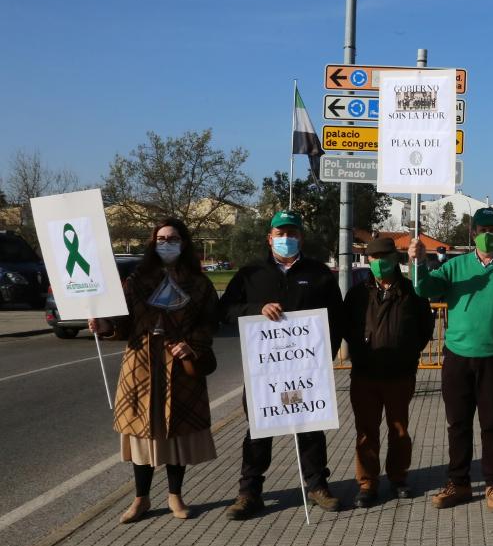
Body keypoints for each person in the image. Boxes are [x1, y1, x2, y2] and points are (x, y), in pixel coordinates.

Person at [410, 207, 493, 514]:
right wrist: (417, 262)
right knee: (457, 424)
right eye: (482, 229)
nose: (488, 234)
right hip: (457, 357)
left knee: (492, 423)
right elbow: (424, 289)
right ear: (473, 233)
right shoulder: (455, 267)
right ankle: (459, 483)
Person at [90, 218, 218, 523]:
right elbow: (123, 323)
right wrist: (104, 325)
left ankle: (175, 497)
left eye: (172, 238)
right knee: (142, 432)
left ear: (184, 243)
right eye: (160, 239)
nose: (166, 243)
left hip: (180, 362)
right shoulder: (136, 281)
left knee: (176, 430)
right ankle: (141, 499)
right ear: (152, 243)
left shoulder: (199, 284)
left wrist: (192, 347)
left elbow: (210, 322)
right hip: (142, 363)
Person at [220, 210, 345, 520]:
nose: (286, 238)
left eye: (292, 233)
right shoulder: (250, 274)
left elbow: (337, 316)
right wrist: (255, 308)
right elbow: (224, 310)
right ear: (269, 237)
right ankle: (249, 492)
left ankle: (317, 486)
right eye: (280, 233)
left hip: (306, 371)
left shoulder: (318, 274)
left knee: (310, 428)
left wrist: (325, 358)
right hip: (265, 373)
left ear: (301, 237)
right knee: (259, 431)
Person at [343, 237, 434, 507]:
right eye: (374, 258)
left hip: (399, 373)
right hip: (365, 374)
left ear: (395, 259)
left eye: (385, 257)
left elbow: (425, 328)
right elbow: (348, 327)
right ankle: (367, 483)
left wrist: (406, 352)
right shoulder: (357, 294)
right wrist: (360, 352)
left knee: (399, 430)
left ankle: (398, 478)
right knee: (366, 431)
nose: (380, 263)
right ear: (368, 261)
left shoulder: (412, 291)